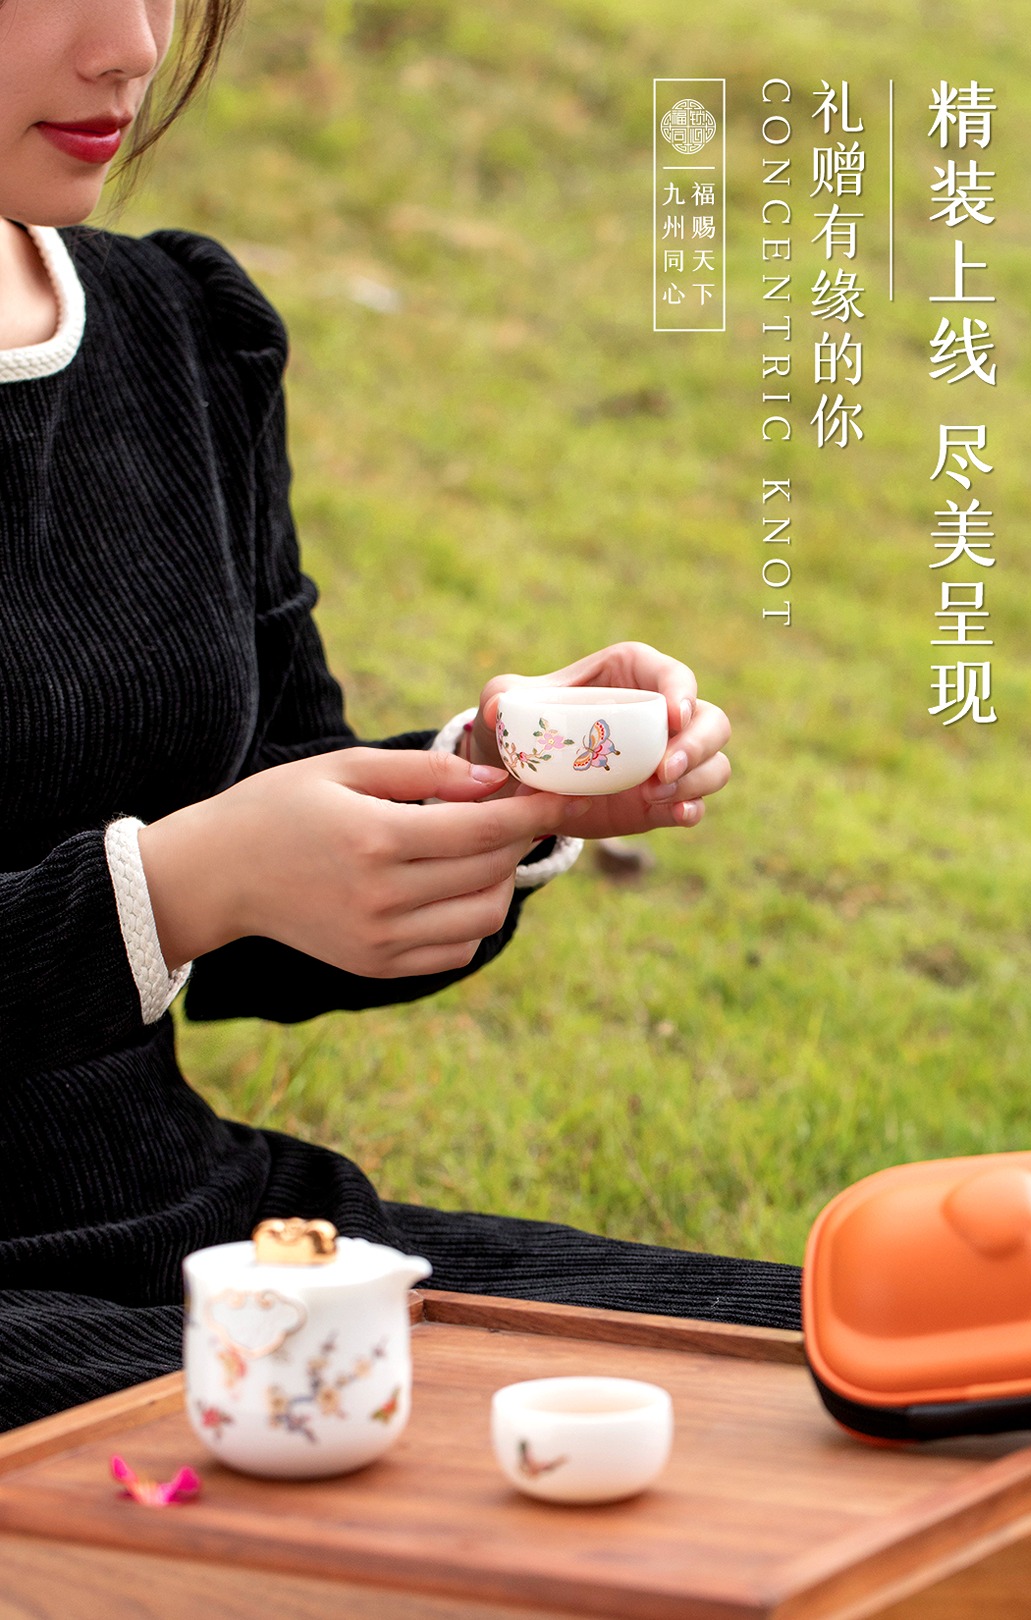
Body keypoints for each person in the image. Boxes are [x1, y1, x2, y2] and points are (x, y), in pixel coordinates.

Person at [0, 0, 800, 1430]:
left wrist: (491, 783)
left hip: (203, 1237)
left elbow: (266, 860)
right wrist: (171, 890)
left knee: (903, 1362)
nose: (132, 45)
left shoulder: (178, 329)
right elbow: (199, 879)